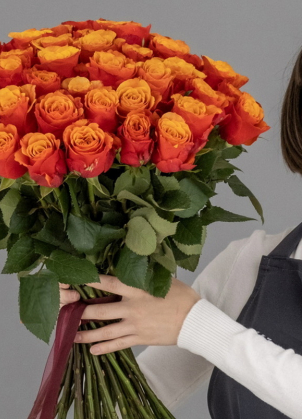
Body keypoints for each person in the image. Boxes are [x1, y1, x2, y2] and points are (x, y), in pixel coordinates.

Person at [59, 46, 302, 419]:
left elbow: (190, 323)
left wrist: (197, 324)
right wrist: (89, 317)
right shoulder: (249, 264)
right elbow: (132, 406)